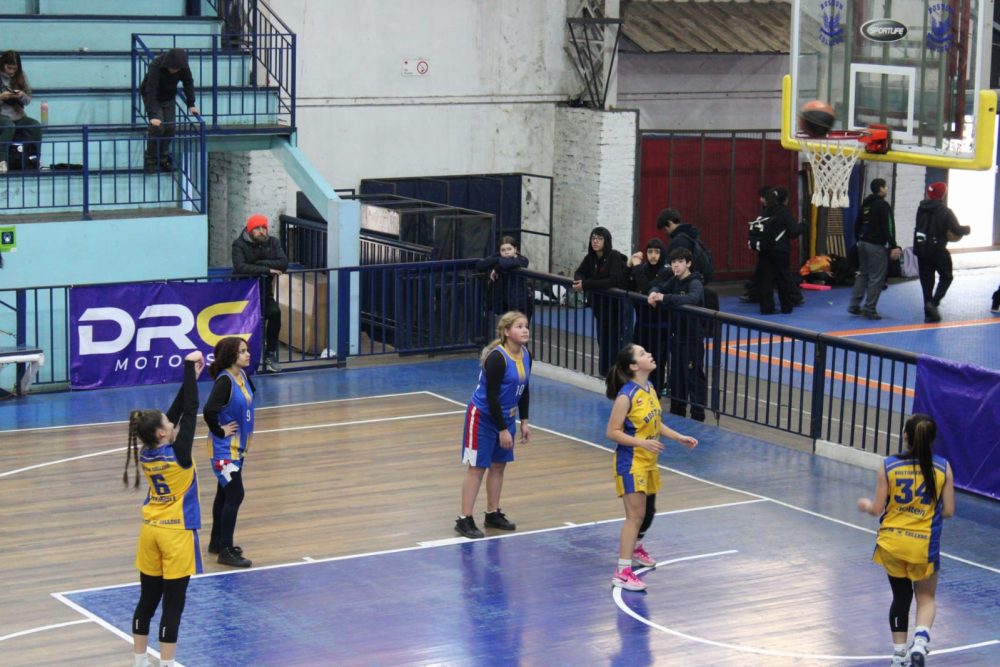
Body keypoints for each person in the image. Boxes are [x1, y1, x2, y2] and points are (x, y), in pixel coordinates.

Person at [123, 351, 205, 667]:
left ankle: (140, 661)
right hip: (176, 533)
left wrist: (191, 378)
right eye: (168, 424)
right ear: (162, 433)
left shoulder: (146, 453)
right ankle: (168, 664)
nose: (172, 423)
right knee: (173, 604)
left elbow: (177, 410)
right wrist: (187, 366)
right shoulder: (180, 454)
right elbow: (191, 410)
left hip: (150, 531)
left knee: (147, 600)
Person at [857, 413, 955, 667]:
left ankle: (899, 656)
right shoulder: (943, 468)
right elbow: (949, 511)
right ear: (932, 439)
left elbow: (877, 507)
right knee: (926, 598)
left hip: (893, 542)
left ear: (906, 436)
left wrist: (867, 504)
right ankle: (920, 641)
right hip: (923, 545)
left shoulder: (888, 465)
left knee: (900, 598)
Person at [605, 343, 697, 591]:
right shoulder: (626, 395)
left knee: (647, 513)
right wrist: (641, 443)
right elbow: (612, 432)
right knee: (634, 517)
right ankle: (622, 572)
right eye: (643, 354)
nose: (650, 355)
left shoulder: (650, 388)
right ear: (634, 366)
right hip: (630, 461)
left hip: (648, 461)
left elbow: (656, 423)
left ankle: (634, 549)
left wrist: (678, 437)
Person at [455, 311, 532, 539]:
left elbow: (524, 389)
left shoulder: (527, 355)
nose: (525, 330)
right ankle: (464, 519)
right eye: (519, 326)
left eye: (526, 326)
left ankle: (492, 513)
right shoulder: (497, 358)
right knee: (477, 467)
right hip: (483, 417)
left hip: (507, 416)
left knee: (499, 465)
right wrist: (502, 430)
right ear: (506, 332)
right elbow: (491, 397)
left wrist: (524, 421)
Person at [202, 336, 255, 568]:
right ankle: (225, 550)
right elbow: (208, 411)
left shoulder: (241, 375)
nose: (248, 354)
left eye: (247, 350)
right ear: (231, 356)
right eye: (243, 351)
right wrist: (220, 430)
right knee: (235, 494)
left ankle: (217, 542)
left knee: (224, 494)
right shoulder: (224, 381)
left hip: (239, 448)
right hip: (225, 451)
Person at [648, 247, 707, 422]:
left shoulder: (695, 283)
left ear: (688, 263)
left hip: (692, 339)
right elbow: (659, 286)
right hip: (677, 337)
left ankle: (698, 414)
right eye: (673, 262)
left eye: (680, 262)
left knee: (693, 376)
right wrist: (653, 293)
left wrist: (664, 298)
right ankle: (677, 411)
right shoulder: (674, 280)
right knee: (677, 376)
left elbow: (692, 299)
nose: (676, 266)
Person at [232, 214, 289, 372]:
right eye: (257, 228)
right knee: (245, 324)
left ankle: (270, 354)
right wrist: (268, 269)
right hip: (243, 293)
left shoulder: (273, 242)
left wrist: (259, 264)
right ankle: (239, 357)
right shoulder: (239, 244)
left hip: (264, 291)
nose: (261, 231)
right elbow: (240, 267)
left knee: (275, 314)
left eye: (263, 227)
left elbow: (283, 263)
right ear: (250, 230)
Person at [573, 227, 630, 376]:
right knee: (602, 342)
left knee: (615, 344)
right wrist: (579, 280)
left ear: (607, 240)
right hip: (600, 308)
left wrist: (586, 284)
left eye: (599, 238)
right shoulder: (590, 258)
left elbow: (612, 280)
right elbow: (580, 271)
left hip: (615, 308)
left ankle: (617, 374)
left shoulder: (614, 256)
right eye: (593, 238)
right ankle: (605, 374)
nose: (595, 241)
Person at [914, 182, 970, 323]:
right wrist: (967, 229)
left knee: (926, 282)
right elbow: (956, 229)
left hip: (921, 250)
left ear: (928, 193)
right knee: (946, 277)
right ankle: (934, 303)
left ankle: (928, 314)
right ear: (942, 194)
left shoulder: (921, 209)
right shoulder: (945, 211)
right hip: (938, 250)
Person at [849, 178, 902, 320]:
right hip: (875, 246)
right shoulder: (883, 206)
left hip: (862, 243)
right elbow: (888, 227)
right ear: (880, 189)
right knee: (876, 277)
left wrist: (858, 240)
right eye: (885, 186)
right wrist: (893, 245)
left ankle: (854, 305)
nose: (887, 189)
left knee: (863, 274)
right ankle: (869, 308)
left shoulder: (865, 205)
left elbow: (857, 224)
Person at [140, 48, 199, 173]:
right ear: (167, 64)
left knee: (171, 128)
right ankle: (150, 159)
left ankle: (163, 159)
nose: (174, 71)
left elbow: (188, 82)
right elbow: (151, 90)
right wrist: (152, 116)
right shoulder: (155, 65)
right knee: (157, 127)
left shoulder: (183, 66)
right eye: (172, 68)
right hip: (153, 96)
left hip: (169, 96)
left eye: (177, 69)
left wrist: (191, 103)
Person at [626, 238, 669, 394]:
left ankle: (655, 396)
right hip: (642, 326)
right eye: (650, 252)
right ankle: (638, 395)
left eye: (657, 252)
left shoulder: (667, 272)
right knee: (638, 363)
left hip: (660, 329)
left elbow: (648, 289)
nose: (653, 256)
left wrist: (637, 268)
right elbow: (628, 284)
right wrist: (630, 266)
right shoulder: (642, 269)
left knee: (656, 365)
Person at [751, 187, 796, 315]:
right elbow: (793, 232)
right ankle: (786, 307)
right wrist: (803, 226)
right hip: (780, 251)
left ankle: (766, 307)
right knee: (783, 279)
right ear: (785, 200)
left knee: (765, 279)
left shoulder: (764, 212)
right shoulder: (784, 213)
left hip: (764, 250)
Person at [0, 50, 42, 174]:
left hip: (18, 114)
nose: (11, 71)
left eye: (14, 68)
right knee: (8, 126)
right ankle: (1, 160)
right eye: (9, 68)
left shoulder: (20, 77)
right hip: (2, 115)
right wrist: (2, 97)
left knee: (35, 125)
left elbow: (28, 100)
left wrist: (21, 95)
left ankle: (35, 159)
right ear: (2, 64)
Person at [477, 236, 532, 320]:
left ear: (515, 249)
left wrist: (497, 267)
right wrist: (498, 262)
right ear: (499, 251)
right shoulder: (500, 258)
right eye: (503, 250)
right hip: (506, 302)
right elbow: (481, 264)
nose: (506, 252)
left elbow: (507, 264)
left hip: (521, 303)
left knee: (520, 329)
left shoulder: (522, 260)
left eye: (509, 249)